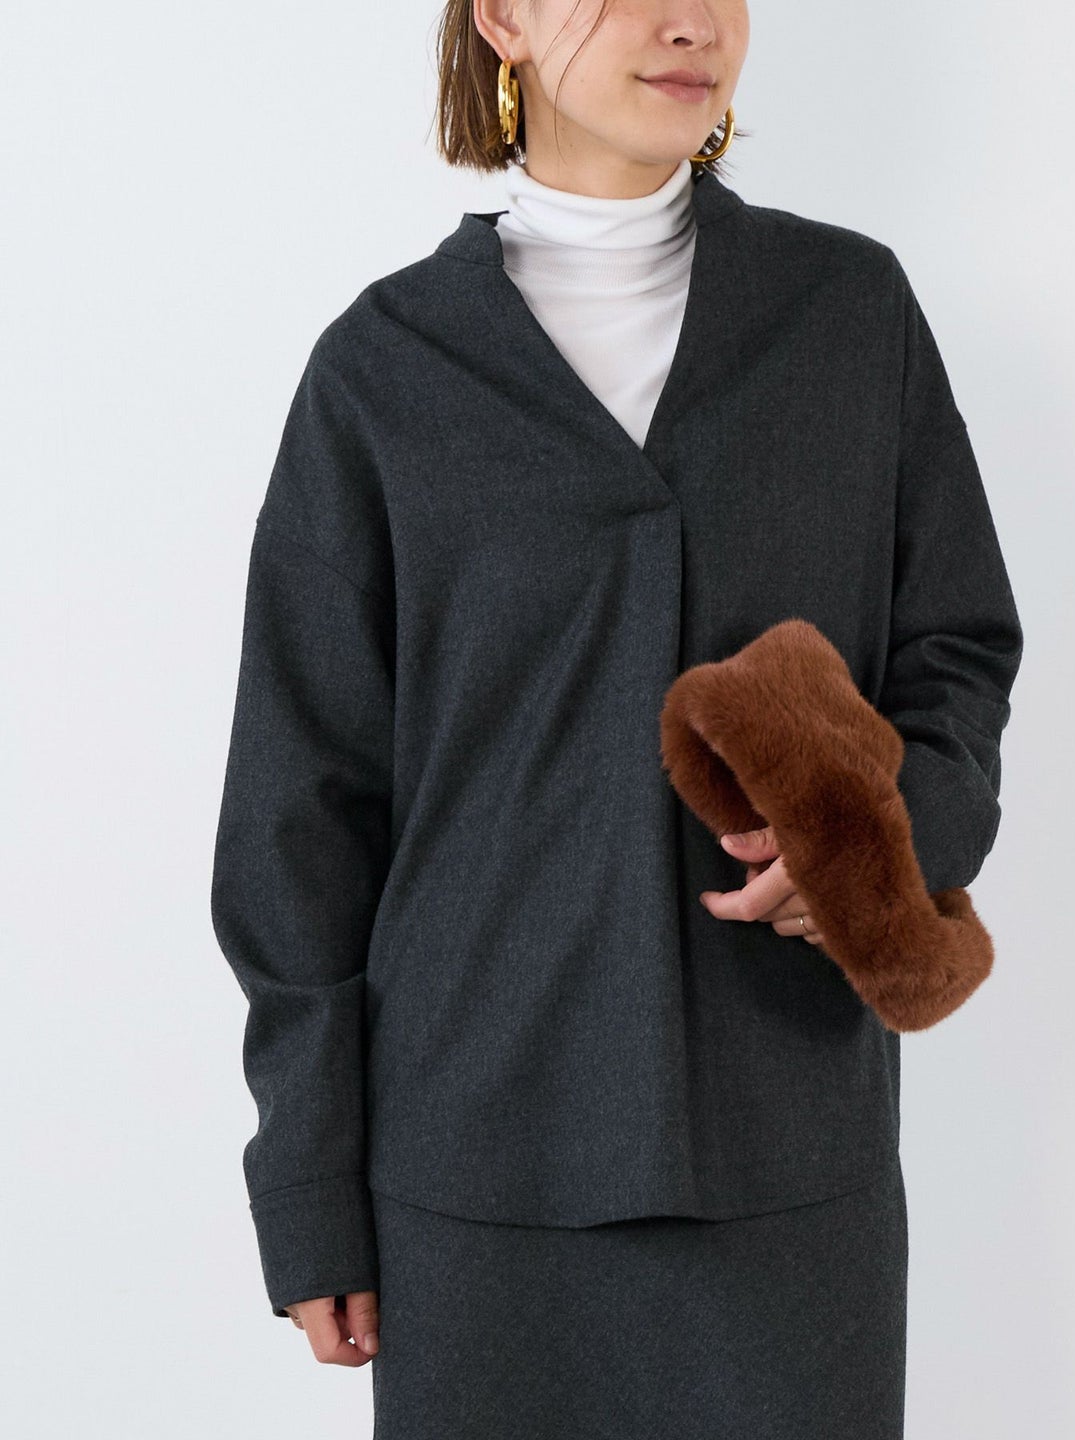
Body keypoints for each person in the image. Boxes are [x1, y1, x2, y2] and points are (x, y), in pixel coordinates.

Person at [210, 1, 1023, 1435]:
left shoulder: (850, 315)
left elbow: (958, 649)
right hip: (474, 1175)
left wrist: (875, 849)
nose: (689, 19)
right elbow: (301, 807)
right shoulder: (383, 369)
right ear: (504, 19)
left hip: (784, 1151)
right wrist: (310, 1185)